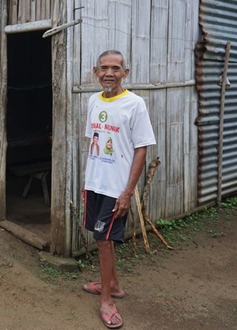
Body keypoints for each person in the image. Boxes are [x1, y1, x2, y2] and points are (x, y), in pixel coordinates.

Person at [81, 50, 156, 329]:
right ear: (95, 72)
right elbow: (94, 144)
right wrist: (86, 182)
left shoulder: (134, 104)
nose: (109, 73)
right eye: (104, 68)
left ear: (126, 72)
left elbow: (141, 149)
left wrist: (127, 192)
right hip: (95, 183)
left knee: (103, 240)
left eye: (115, 68)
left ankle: (107, 300)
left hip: (116, 188)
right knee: (102, 239)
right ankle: (113, 284)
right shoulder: (92, 101)